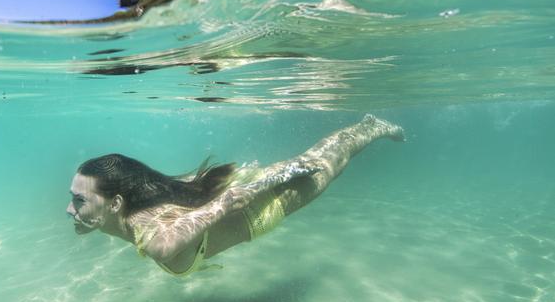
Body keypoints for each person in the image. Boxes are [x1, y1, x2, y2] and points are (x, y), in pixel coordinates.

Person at [67, 114, 404, 276]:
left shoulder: (157, 238)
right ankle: (367, 128)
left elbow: (227, 204)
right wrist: (88, 219)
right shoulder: (129, 205)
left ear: (115, 202)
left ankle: (372, 127)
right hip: (236, 194)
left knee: (326, 166)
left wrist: (273, 178)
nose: (69, 209)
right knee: (317, 162)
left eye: (79, 200)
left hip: (258, 208)